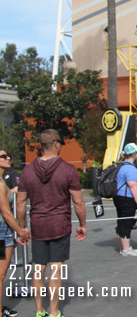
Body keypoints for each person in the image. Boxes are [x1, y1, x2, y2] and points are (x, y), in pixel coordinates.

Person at [17, 130, 87, 317]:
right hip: (59, 224)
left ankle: (40, 310)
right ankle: (54, 312)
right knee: (56, 267)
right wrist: (82, 224)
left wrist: (22, 227)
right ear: (56, 144)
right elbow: (78, 202)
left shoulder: (27, 171)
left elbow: (21, 202)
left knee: (38, 267)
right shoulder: (68, 170)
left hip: (38, 225)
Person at [0, 149, 29, 317]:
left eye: (8, 155)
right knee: (1, 274)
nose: (8, 158)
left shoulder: (3, 182)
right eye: (3, 156)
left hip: (4, 229)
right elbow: (5, 212)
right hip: (2, 230)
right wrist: (20, 231)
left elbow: (8, 197)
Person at [112, 142, 137, 256]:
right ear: (134, 154)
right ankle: (126, 249)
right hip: (128, 198)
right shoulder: (130, 168)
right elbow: (133, 186)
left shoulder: (121, 165)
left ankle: (124, 246)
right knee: (127, 222)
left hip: (119, 197)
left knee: (122, 221)